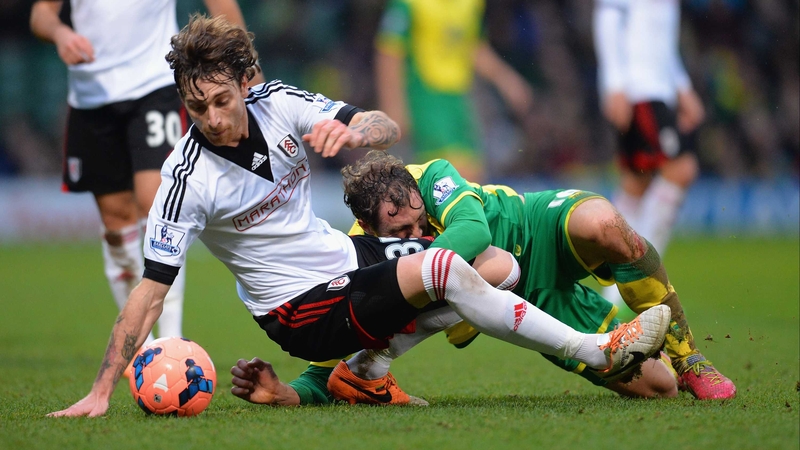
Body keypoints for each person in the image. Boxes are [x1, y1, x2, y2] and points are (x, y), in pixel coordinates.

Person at [48, 15, 670, 417]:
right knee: (449, 269)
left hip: (347, 263)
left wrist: (354, 131)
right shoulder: (185, 181)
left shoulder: (280, 102)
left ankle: (366, 370)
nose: (211, 117)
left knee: (498, 266)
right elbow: (150, 292)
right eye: (196, 105)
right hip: (298, 308)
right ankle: (598, 351)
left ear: (245, 80)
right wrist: (103, 390)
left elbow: (385, 125)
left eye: (220, 99)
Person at [334, 151, 735, 401]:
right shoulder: (361, 253)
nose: (418, 234)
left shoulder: (429, 176)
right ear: (368, 228)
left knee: (606, 224)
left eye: (421, 221)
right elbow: (342, 333)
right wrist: (296, 391)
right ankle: (660, 358)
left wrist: (418, 268)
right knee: (659, 388)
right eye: (403, 234)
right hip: (526, 304)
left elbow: (475, 232)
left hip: (535, 227)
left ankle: (690, 358)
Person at [29, 0, 264, 346]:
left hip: (155, 87)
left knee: (155, 204)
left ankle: (169, 343)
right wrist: (61, 32)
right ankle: (138, 345)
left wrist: (250, 70)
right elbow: (41, 13)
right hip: (91, 95)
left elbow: (221, 4)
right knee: (115, 219)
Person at [592, 0, 705, 308]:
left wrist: (682, 88)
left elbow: (660, 40)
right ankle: (639, 271)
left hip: (657, 89)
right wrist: (615, 83)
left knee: (636, 184)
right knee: (681, 170)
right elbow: (608, 18)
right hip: (639, 89)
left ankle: (611, 285)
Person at [374, 0, 534, 182]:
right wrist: (393, 107)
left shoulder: (471, 4)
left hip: (459, 100)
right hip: (426, 98)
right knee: (452, 175)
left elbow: (473, 47)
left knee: (471, 178)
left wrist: (507, 80)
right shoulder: (408, 5)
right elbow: (389, 52)